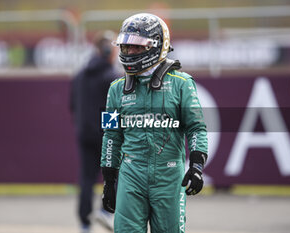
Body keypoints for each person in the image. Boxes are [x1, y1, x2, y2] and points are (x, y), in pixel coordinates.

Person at [100, 13, 208, 233]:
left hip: (169, 176)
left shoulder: (182, 83)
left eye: (137, 47)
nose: (129, 52)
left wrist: (197, 166)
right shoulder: (115, 88)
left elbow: (196, 127)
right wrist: (109, 181)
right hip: (131, 175)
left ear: (157, 45)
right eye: (126, 47)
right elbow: (111, 135)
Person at [70, 30, 120, 233]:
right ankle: (106, 212)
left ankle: (84, 224)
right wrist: (114, 133)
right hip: (105, 135)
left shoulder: (79, 75)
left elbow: (73, 105)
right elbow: (114, 108)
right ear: (108, 50)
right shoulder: (112, 77)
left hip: (84, 134)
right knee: (118, 174)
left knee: (86, 180)